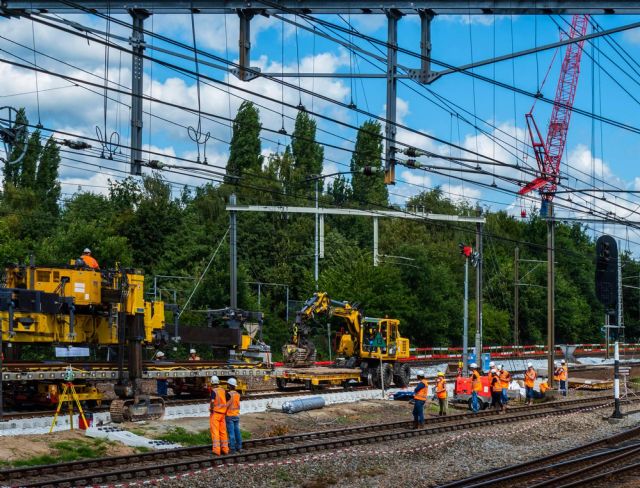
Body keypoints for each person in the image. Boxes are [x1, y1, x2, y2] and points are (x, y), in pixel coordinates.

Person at [209, 375, 229, 456]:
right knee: (223, 432)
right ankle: (225, 449)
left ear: (212, 382)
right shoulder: (223, 390)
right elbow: (227, 398)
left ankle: (217, 450)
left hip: (216, 414)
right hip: (223, 414)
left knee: (215, 432)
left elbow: (212, 401)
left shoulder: (214, 391)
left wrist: (211, 409)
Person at [225, 377, 242, 453]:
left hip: (230, 416)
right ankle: (239, 447)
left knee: (231, 433)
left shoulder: (228, 394)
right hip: (236, 415)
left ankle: (232, 449)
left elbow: (226, 405)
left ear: (229, 385)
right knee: (237, 432)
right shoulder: (238, 394)